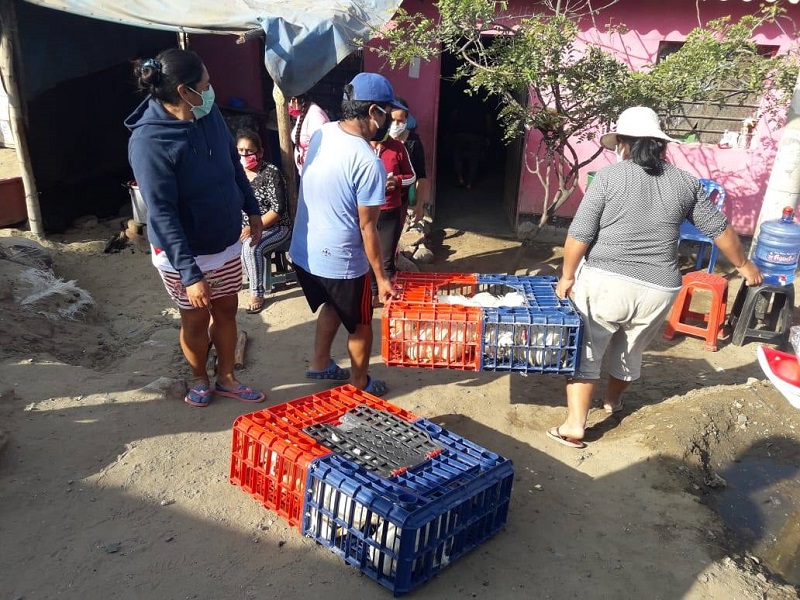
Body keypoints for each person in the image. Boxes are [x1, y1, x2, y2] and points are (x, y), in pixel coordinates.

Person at [548, 106, 762, 449]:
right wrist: (744, 266)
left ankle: (575, 425)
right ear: (660, 144)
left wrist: (567, 276)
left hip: (605, 281)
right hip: (659, 288)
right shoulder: (686, 182)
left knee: (587, 351)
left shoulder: (608, 178)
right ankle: (613, 402)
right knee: (630, 351)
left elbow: (579, 234)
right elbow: (719, 230)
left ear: (623, 144)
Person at [126, 48, 266, 408]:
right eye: (206, 84)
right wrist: (190, 274)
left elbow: (232, 166)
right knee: (194, 316)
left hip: (224, 242)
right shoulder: (149, 142)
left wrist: (251, 210)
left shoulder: (208, 115)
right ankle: (200, 378)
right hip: (182, 254)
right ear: (185, 91)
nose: (212, 89)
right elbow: (162, 213)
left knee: (226, 310)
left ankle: (227, 378)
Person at [289, 72, 406, 396]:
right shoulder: (369, 162)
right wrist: (382, 279)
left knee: (332, 303)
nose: (391, 118)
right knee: (361, 322)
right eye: (387, 111)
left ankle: (320, 362)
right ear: (373, 113)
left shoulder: (324, 133)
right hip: (341, 260)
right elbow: (368, 227)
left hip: (305, 249)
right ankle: (360, 381)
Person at [235, 129, 292, 314]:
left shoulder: (270, 173)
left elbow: (277, 209)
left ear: (259, 152)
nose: (245, 155)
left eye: (249, 151)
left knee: (251, 247)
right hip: (243, 228)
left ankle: (257, 293)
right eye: (240, 150)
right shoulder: (235, 173)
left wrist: (253, 228)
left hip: (276, 228)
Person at [370, 101, 416, 305]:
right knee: (367, 255)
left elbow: (412, 176)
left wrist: (396, 181)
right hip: (365, 212)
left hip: (390, 210)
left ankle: (386, 292)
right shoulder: (360, 146)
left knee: (387, 256)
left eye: (399, 120)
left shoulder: (397, 148)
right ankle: (372, 294)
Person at [389, 98, 429, 227]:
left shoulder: (413, 142)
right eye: (392, 120)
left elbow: (421, 176)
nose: (395, 124)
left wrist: (419, 206)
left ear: (407, 120)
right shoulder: (376, 139)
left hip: (403, 200)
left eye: (400, 121)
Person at [289, 94, 330, 173]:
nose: (289, 106)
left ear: (295, 100)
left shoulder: (315, 115)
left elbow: (322, 149)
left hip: (316, 172)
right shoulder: (304, 112)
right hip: (305, 171)